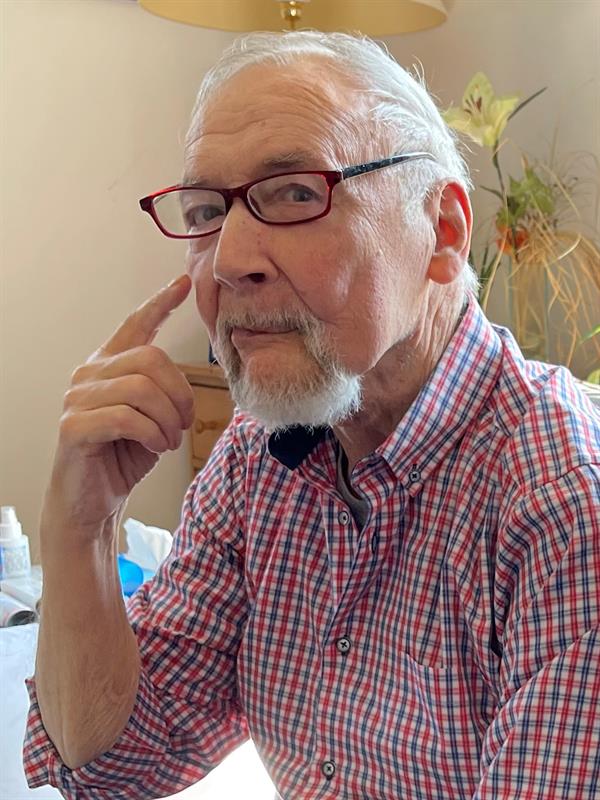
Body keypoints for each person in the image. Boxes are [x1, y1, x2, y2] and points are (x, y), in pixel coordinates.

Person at [24, 30, 599, 800]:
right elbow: (117, 766)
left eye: (296, 194)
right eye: (206, 210)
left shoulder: (563, 503)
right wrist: (79, 530)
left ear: (443, 232)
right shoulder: (258, 456)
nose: (231, 261)